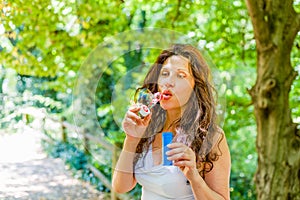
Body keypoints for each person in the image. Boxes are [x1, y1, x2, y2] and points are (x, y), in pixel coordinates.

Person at [112, 44, 231, 200]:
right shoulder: (147, 127)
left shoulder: (211, 137)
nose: (168, 82)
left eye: (180, 75)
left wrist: (193, 176)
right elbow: (121, 187)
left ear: (196, 85)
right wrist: (131, 139)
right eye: (165, 73)